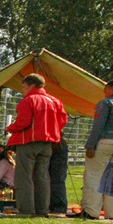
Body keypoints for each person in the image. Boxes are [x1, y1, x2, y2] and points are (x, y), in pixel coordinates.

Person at [5, 73, 68, 216]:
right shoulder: (55, 101)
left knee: (24, 176)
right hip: (47, 144)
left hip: (28, 142)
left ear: (32, 85)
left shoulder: (28, 100)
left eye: (24, 86)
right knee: (42, 176)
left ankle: (26, 210)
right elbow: (62, 121)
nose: (23, 90)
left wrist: (10, 128)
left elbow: (23, 122)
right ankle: (42, 210)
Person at [77, 76, 113, 220]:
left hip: (106, 142)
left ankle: (91, 211)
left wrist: (90, 145)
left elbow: (98, 126)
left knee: (94, 176)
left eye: (106, 89)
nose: (104, 92)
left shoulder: (106, 103)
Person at [47, 136, 70, 215]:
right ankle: (58, 206)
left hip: (54, 143)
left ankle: (58, 206)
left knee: (56, 179)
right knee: (58, 178)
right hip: (57, 143)